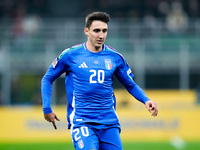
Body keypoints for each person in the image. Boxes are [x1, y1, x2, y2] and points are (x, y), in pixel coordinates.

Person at [41, 12, 158, 150]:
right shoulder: (71, 55)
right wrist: (47, 108)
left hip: (109, 123)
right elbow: (48, 78)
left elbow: (130, 84)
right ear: (86, 31)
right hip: (82, 121)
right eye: (96, 30)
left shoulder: (115, 57)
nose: (101, 35)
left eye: (104, 31)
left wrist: (146, 100)